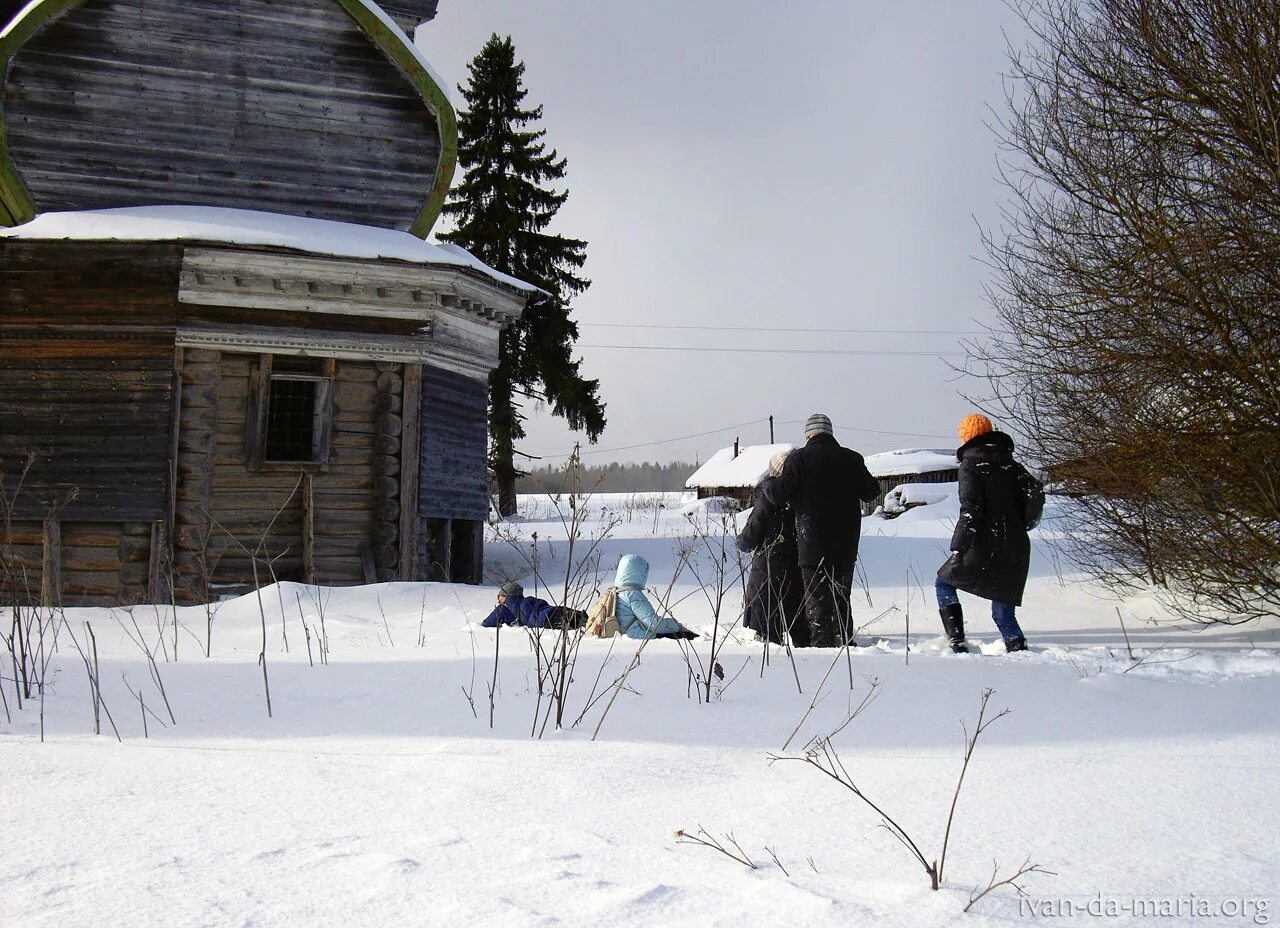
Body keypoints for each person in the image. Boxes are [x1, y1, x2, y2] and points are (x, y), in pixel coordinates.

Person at [762, 413, 881, 647]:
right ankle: (844, 640)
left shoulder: (799, 459)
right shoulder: (852, 458)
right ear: (830, 433)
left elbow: (778, 495)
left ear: (808, 435)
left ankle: (822, 645)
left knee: (817, 597)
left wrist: (768, 481)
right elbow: (871, 492)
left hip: (812, 541)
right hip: (845, 541)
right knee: (841, 595)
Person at [935, 413, 1042, 653]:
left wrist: (958, 548)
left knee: (943, 582)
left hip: (983, 543)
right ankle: (1018, 649)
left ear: (968, 437)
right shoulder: (1012, 465)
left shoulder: (970, 465)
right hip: (1015, 544)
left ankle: (957, 642)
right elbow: (1035, 492)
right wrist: (1025, 523)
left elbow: (970, 511)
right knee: (1002, 608)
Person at [737, 450, 808, 646]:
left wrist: (741, 542)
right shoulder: (805, 496)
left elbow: (749, 538)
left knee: (769, 636)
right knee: (801, 631)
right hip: (799, 569)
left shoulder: (767, 497)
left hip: (768, 570)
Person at [613, 554, 697, 640]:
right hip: (637, 636)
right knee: (689, 637)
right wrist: (677, 625)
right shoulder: (632, 595)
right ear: (640, 573)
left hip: (622, 634)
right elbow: (653, 624)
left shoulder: (615, 592)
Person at [481, 581, 585, 629]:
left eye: (500, 596)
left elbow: (487, 623)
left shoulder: (504, 608)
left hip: (548, 620)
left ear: (507, 596)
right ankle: (580, 617)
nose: (498, 600)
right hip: (555, 610)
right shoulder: (526, 601)